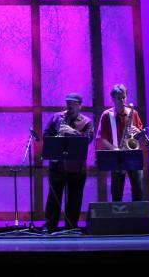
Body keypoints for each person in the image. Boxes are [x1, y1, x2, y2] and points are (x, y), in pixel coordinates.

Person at [42, 92, 93, 231]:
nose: (68, 106)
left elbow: (88, 139)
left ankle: (71, 227)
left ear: (79, 106)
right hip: (57, 165)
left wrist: (73, 132)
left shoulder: (86, 121)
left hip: (76, 168)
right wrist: (56, 139)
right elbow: (46, 135)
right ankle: (50, 227)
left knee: (74, 199)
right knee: (53, 198)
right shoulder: (57, 117)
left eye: (72, 104)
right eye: (67, 103)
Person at [96, 84, 144, 201]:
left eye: (124, 97)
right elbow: (102, 138)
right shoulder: (107, 115)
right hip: (116, 155)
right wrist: (115, 150)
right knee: (117, 192)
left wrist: (138, 131)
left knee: (138, 190)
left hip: (132, 155)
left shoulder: (133, 113)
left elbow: (139, 134)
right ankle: (118, 216)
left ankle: (137, 216)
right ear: (113, 99)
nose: (123, 101)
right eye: (119, 98)